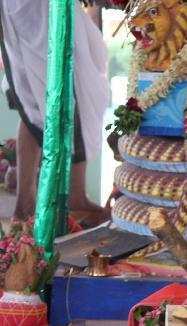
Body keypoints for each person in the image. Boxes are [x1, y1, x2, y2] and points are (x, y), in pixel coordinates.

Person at [0, 0, 110, 225]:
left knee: (36, 102)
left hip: (22, 9)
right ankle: (73, 197)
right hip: (41, 8)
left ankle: (26, 204)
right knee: (71, 84)